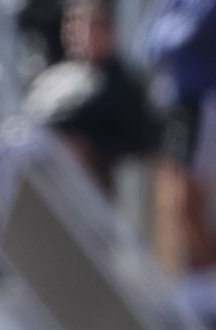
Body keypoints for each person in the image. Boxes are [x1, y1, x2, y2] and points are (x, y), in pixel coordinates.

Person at [142, 0, 216, 330]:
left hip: (209, 105)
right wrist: (164, 33)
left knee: (191, 200)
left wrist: (165, 33)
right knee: (173, 199)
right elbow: (148, 42)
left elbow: (180, 38)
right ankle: (195, 289)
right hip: (181, 104)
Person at [23, 1, 159, 194]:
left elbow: (142, 138)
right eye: (75, 27)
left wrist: (90, 146)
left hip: (90, 185)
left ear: (109, 33)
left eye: (92, 28)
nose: (83, 36)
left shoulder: (120, 84)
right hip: (44, 180)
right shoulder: (57, 76)